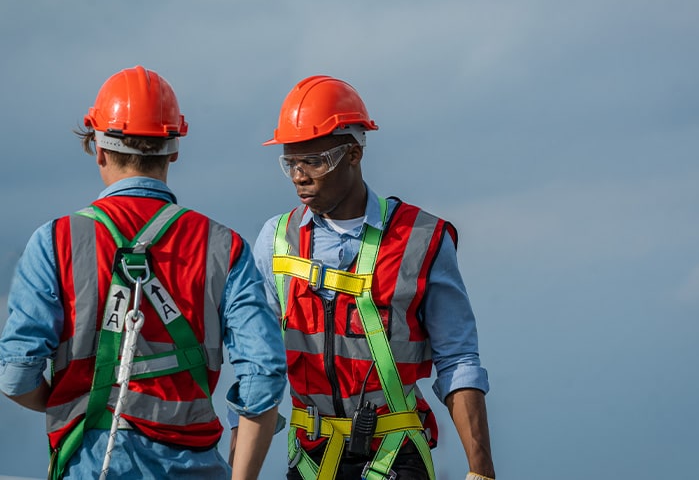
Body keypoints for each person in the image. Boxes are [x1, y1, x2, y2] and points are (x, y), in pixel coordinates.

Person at [0, 66, 287, 480]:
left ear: (97, 149)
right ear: (173, 150)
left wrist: (76, 406)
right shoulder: (224, 247)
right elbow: (264, 376)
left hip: (90, 465)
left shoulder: (55, 241)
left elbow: (16, 375)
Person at [244, 75, 495, 479]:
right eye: (290, 162)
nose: (299, 176)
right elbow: (256, 365)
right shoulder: (276, 242)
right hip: (310, 461)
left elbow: (458, 360)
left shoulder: (421, 240)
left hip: (395, 458)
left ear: (354, 154)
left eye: (314, 161)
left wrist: (481, 471)